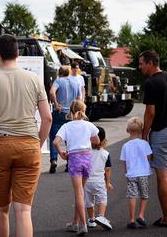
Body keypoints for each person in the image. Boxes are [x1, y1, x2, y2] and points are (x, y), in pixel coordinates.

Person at [0, 34, 52, 237]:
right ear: (18, 54)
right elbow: (47, 118)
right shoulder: (34, 79)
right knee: (23, 210)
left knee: (0, 209)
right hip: (29, 144)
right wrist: (36, 144)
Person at [139, 50, 167, 227]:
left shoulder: (151, 83)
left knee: (162, 176)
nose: (140, 67)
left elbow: (150, 112)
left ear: (151, 63)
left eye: (141, 63)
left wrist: (144, 135)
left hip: (162, 133)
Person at [53, 100, 100, 236]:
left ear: (71, 112)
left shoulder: (67, 126)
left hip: (74, 159)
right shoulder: (88, 125)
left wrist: (61, 152)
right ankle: (75, 222)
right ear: (83, 111)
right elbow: (96, 141)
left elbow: (56, 141)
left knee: (79, 193)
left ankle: (83, 225)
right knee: (81, 192)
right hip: (87, 159)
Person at [120, 117, 152, 229]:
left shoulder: (125, 146)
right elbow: (149, 157)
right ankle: (141, 216)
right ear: (141, 131)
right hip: (144, 173)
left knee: (132, 196)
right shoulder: (145, 144)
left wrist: (126, 173)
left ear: (127, 130)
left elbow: (124, 162)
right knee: (144, 195)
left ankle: (132, 219)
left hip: (131, 174)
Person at [49, 65, 81, 173]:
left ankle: (54, 160)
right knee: (70, 139)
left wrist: (56, 103)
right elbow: (79, 99)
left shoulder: (58, 81)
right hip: (71, 113)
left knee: (54, 136)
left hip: (60, 112)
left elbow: (52, 92)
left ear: (59, 73)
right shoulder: (76, 82)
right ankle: (69, 163)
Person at [84, 126, 113, 230]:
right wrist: (108, 183)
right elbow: (107, 170)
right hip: (99, 181)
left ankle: (91, 220)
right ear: (104, 140)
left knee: (88, 201)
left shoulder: (86, 152)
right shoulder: (106, 154)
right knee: (102, 199)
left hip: (86, 181)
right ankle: (101, 216)